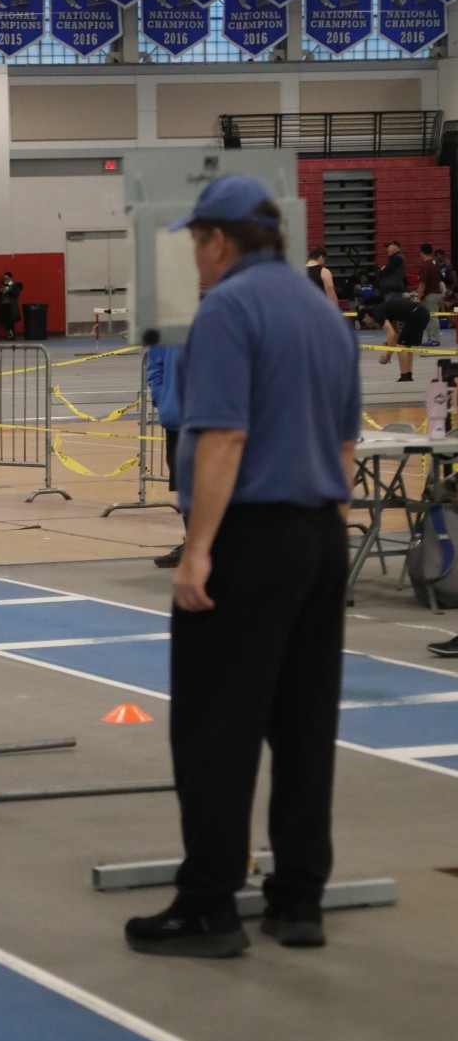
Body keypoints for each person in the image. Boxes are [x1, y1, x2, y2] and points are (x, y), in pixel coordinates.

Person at [124, 174, 360, 959]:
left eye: (196, 244)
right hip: (320, 533)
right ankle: (299, 899)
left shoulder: (227, 309)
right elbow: (346, 444)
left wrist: (199, 550)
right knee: (304, 724)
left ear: (218, 241)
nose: (195, 260)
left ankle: (209, 904)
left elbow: (223, 435)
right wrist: (323, 534)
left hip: (249, 537)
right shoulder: (324, 315)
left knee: (215, 727)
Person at [146, 344, 186, 569]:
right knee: (184, 483)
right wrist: (163, 399)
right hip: (176, 418)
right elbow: (155, 366)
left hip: (214, 419)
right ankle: (193, 543)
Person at [360, 295, 429, 383]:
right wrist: (390, 352)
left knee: (401, 346)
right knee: (406, 345)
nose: (367, 325)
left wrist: (387, 356)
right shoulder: (384, 310)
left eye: (364, 322)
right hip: (422, 312)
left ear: (366, 315)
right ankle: (408, 375)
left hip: (416, 314)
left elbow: (391, 334)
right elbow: (395, 335)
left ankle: (404, 377)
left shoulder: (377, 313)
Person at [417, 243, 443, 349]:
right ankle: (431, 339)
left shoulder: (426, 266)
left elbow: (422, 283)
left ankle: (435, 340)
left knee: (432, 317)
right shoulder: (436, 263)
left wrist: (418, 297)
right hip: (437, 293)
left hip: (430, 295)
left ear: (422, 252)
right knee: (430, 317)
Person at [0, 273, 22, 339]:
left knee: (11, 320)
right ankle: (11, 332)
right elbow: (0, 293)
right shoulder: (3, 284)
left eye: (7, 278)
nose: (6, 280)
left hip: (11, 304)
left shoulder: (14, 285)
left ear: (10, 278)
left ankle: (11, 334)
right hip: (4, 304)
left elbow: (16, 294)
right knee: (3, 319)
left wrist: (8, 290)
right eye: (5, 278)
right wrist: (1, 290)